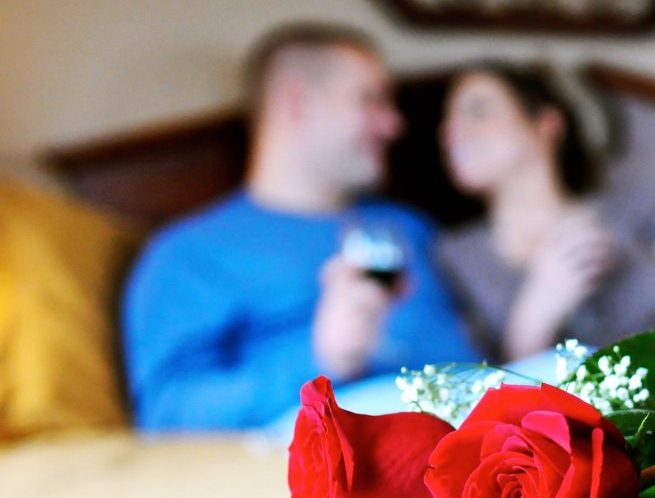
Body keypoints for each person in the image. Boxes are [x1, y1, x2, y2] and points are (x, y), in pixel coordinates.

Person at [122, 23, 478, 431]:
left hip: (500, 436)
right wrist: (320, 358)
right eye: (371, 100)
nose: (392, 125)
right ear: (296, 102)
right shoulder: (186, 256)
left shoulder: (411, 227)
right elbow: (167, 415)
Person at [436, 63, 655, 363]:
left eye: (478, 111)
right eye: (447, 120)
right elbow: (488, 386)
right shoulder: (455, 256)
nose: (450, 131)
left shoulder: (636, 205)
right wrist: (539, 305)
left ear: (545, 124)